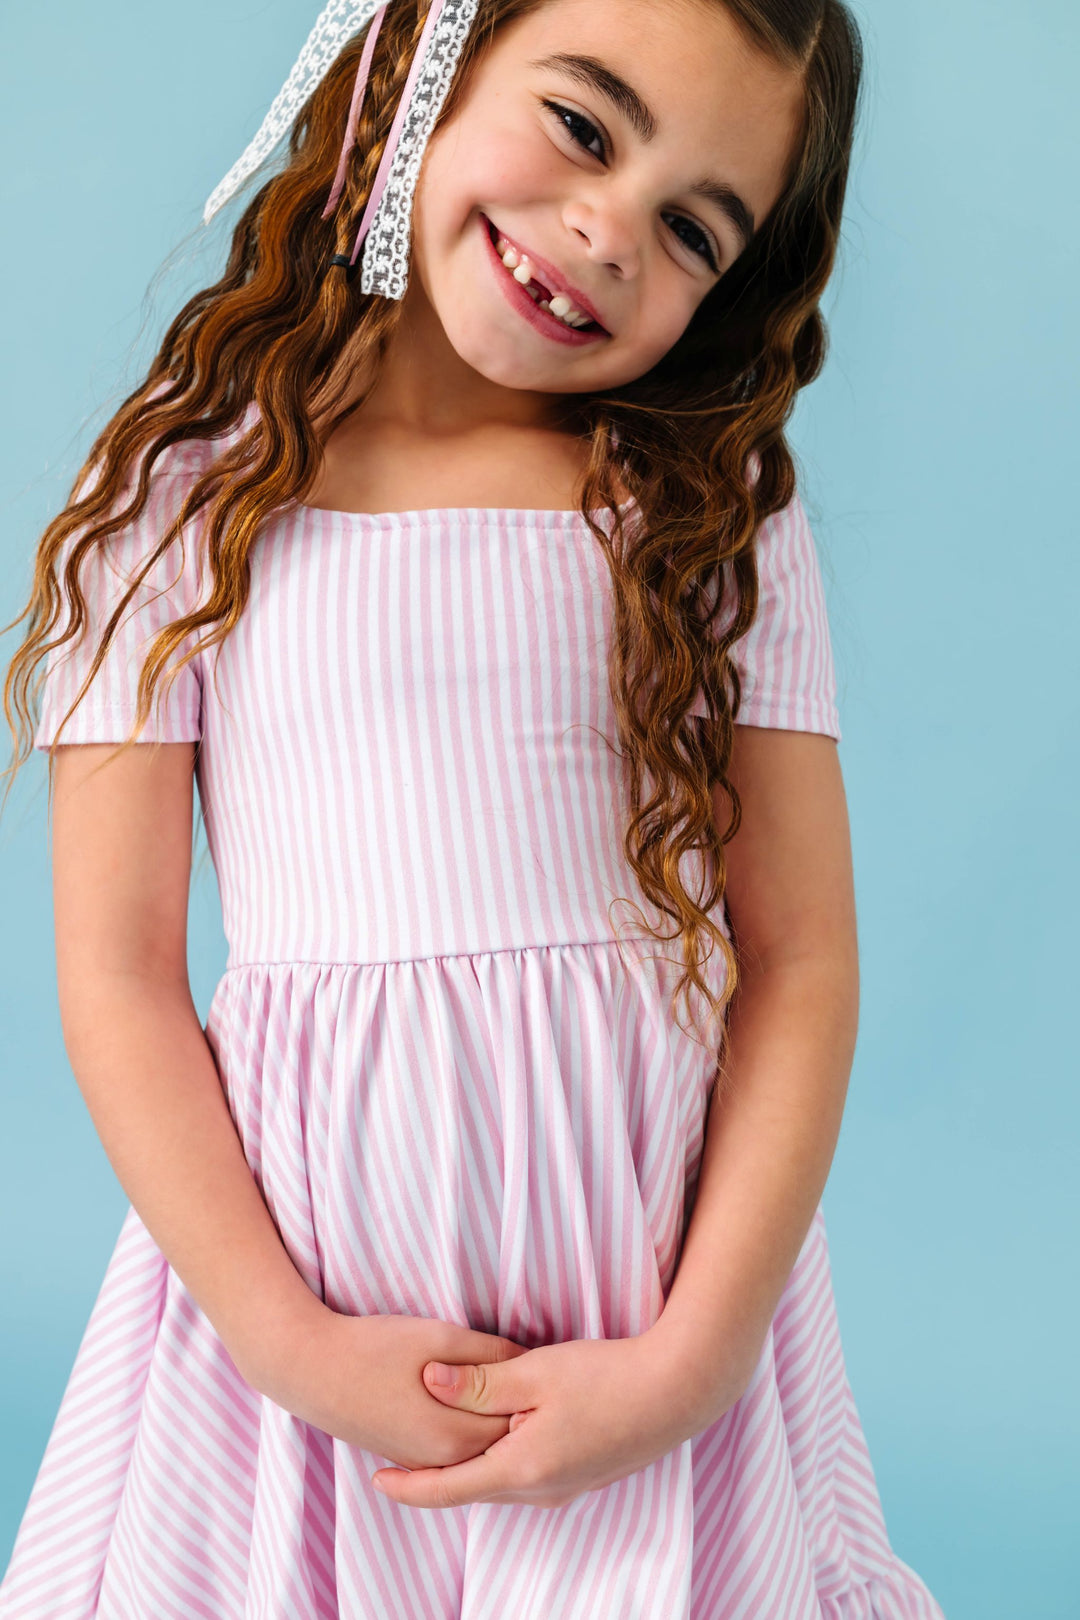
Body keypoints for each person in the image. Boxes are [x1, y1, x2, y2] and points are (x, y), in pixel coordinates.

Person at [0, 0, 947, 1614]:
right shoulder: (169, 510)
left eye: (692, 227)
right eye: (585, 124)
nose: (605, 228)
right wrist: (287, 1343)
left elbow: (802, 962)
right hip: (301, 1316)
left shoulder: (704, 528)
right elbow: (120, 980)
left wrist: (694, 1359)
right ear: (424, 62)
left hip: (636, 1304)